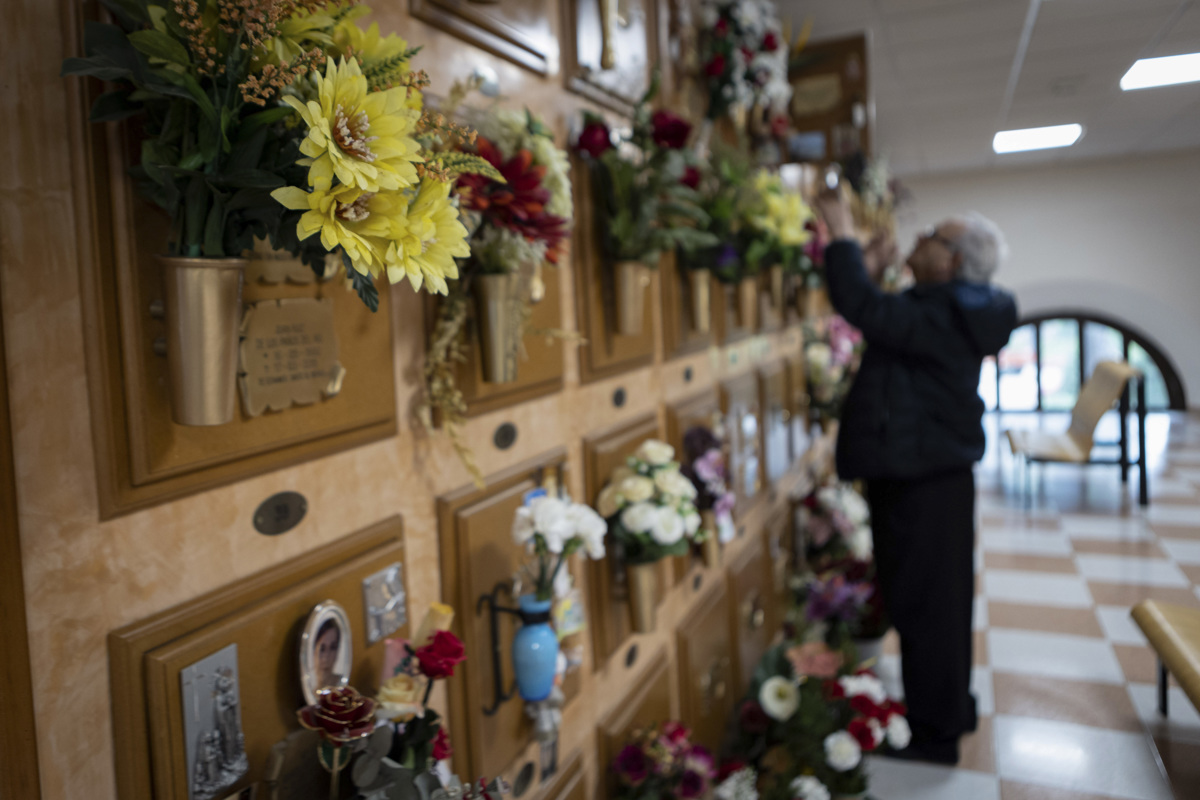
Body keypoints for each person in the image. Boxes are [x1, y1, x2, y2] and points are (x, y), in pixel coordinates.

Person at [815, 191, 1018, 765]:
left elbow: (864, 306)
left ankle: (935, 737)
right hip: (928, 473)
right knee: (935, 603)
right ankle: (948, 710)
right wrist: (877, 269)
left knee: (928, 606)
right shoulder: (950, 306)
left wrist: (843, 235)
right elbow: (890, 320)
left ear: (953, 260)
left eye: (933, 235)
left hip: (923, 477)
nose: (920, 238)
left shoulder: (947, 311)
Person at [314, 618, 343, 692]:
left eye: (332, 647)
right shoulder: (310, 690)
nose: (326, 657)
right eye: (322, 649)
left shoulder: (342, 683)